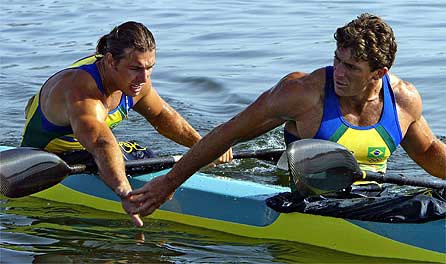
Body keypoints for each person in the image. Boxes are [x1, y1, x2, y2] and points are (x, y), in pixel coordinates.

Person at [128, 13, 446, 218]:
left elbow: (430, 153)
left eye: (351, 67)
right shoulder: (303, 93)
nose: (338, 72)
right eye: (337, 60)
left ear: (379, 72)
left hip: (372, 196)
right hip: (311, 202)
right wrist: (169, 182)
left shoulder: (404, 100)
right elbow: (230, 133)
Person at [20, 21, 232, 227]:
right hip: (48, 159)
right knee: (126, 164)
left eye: (150, 68)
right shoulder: (81, 90)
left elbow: (162, 117)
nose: (144, 77)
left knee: (147, 157)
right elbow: (102, 143)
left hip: (91, 150)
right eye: (136, 68)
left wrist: (205, 147)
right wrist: (124, 190)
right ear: (111, 61)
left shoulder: (135, 81)